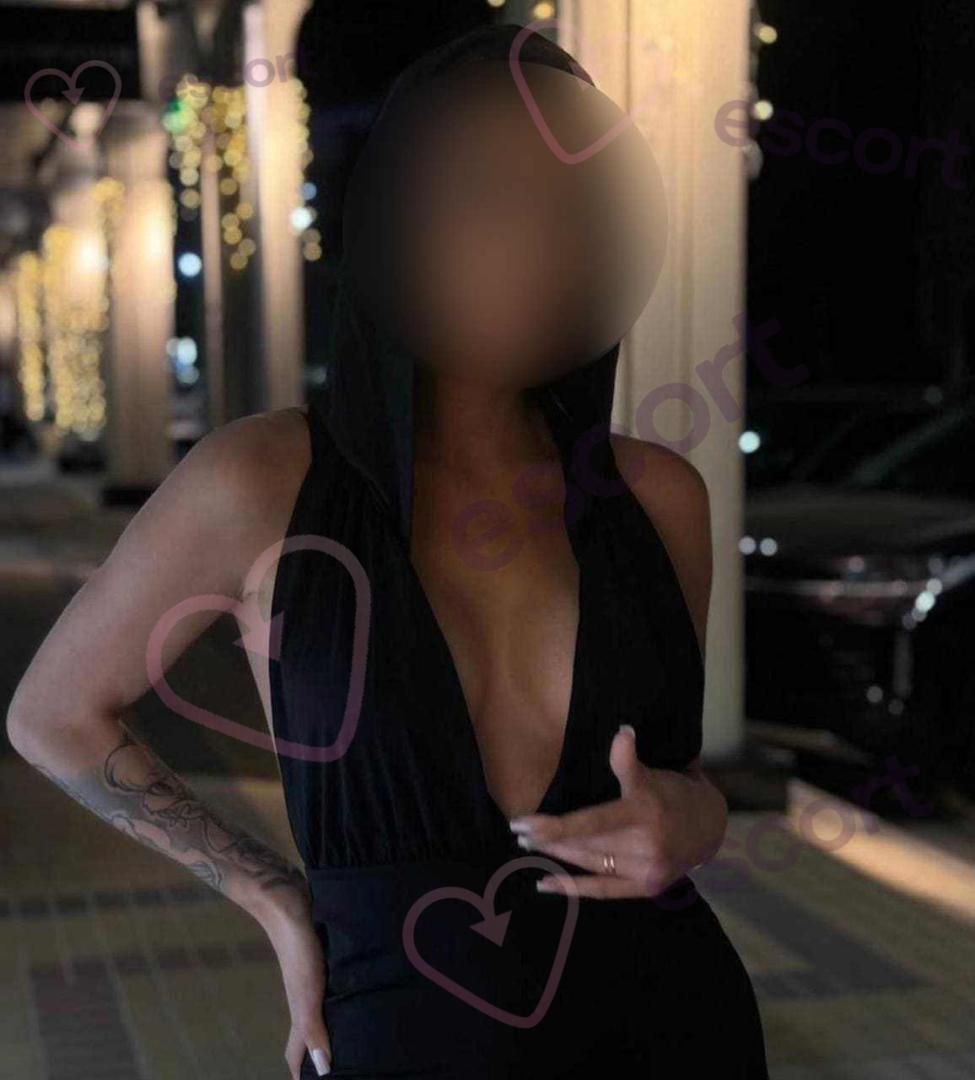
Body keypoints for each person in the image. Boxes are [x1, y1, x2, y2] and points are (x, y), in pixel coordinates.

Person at [6, 24, 768, 1080]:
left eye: (572, 202)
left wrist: (698, 819)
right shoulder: (262, 481)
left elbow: (676, 786)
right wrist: (270, 894)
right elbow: (52, 716)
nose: (536, 241)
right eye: (486, 196)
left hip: (675, 1032)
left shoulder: (657, 497)